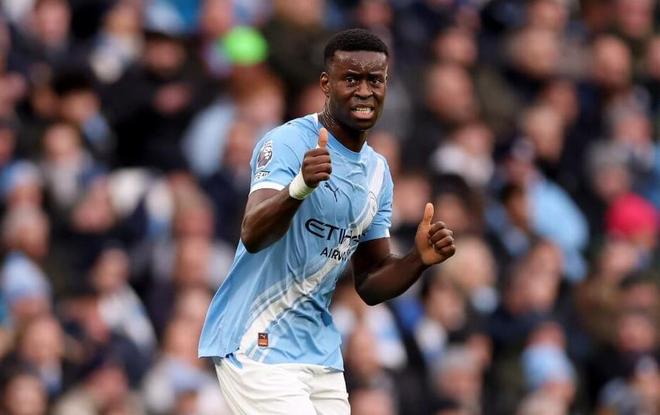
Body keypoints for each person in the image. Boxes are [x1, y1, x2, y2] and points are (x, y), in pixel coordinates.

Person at [198, 28, 456, 414]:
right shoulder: (287, 142)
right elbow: (252, 233)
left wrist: (418, 259)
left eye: (375, 80)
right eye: (351, 79)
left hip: (319, 352)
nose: (365, 91)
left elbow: (369, 282)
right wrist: (299, 187)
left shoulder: (377, 173)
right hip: (256, 340)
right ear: (326, 84)